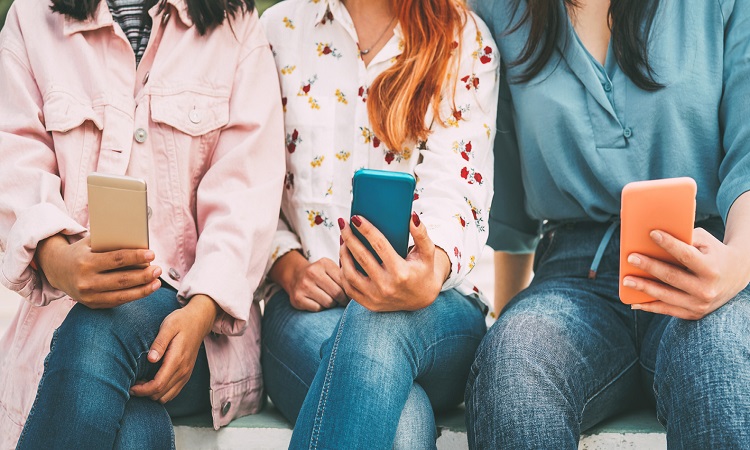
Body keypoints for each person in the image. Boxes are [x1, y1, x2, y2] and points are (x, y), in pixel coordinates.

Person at [0, 0, 285, 446]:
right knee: (135, 432)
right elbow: (12, 156)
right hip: (60, 337)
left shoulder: (237, 25)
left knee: (102, 329)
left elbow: (246, 191)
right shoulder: (32, 16)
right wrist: (55, 257)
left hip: (197, 333)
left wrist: (201, 309)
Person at [466, 0, 750, 448]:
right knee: (514, 358)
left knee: (718, 360)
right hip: (573, 275)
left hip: (702, 257)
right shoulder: (497, 10)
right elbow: (509, 204)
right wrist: (508, 316)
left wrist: (737, 265)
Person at [259, 0, 498, 447]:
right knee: (403, 425)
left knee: (376, 319)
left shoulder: (463, 38)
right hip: (308, 311)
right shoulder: (278, 30)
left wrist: (426, 273)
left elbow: (458, 188)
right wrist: (289, 267)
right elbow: (251, 187)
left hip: (439, 312)